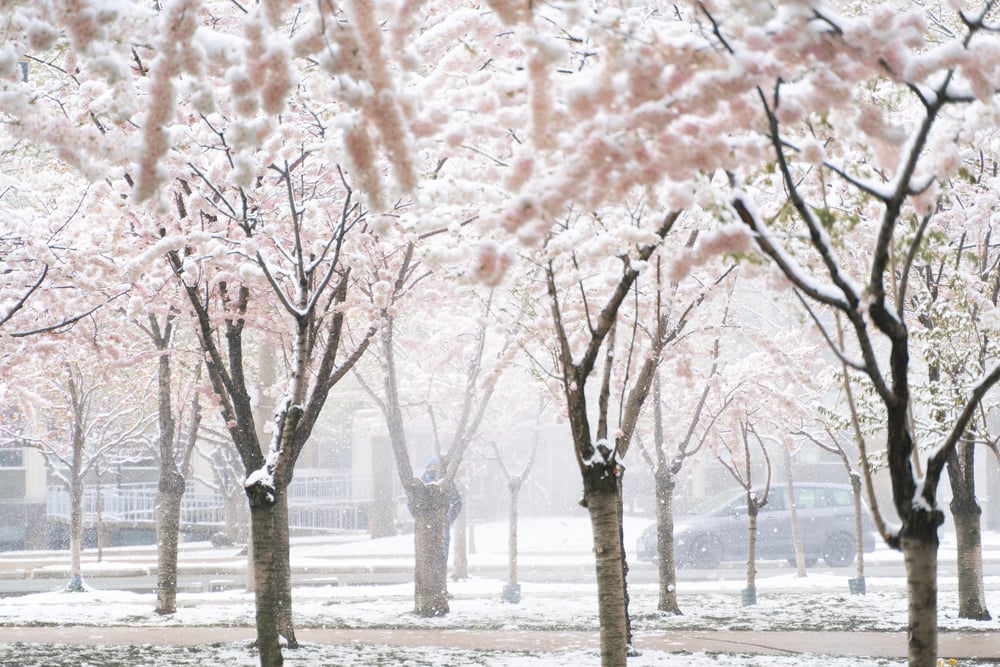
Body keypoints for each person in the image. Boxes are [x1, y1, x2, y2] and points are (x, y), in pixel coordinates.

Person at [422, 456, 463, 563]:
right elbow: (412, 504)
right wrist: (421, 519)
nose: (432, 469)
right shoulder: (420, 484)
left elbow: (457, 503)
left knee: (441, 560)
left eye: (435, 467)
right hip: (424, 529)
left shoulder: (447, 484)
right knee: (425, 561)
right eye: (429, 467)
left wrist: (448, 519)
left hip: (442, 528)